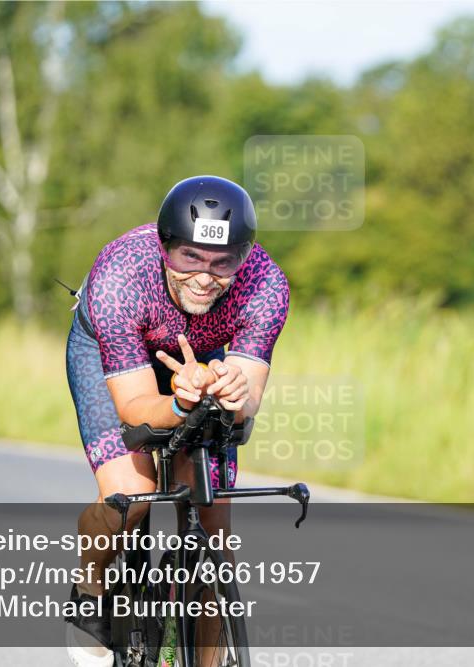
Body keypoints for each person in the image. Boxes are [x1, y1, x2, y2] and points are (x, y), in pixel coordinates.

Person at [62, 175, 289, 661]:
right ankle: (91, 583)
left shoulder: (265, 285)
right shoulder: (120, 277)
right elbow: (137, 411)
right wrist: (181, 404)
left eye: (222, 262)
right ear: (166, 247)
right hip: (110, 354)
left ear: (243, 257)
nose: (206, 277)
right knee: (133, 497)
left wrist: (231, 393)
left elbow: (247, 401)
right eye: (190, 258)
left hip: (200, 353)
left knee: (213, 524)